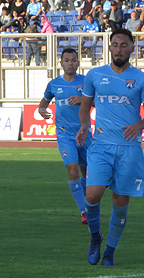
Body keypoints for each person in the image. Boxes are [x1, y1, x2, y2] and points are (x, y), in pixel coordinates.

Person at [76, 28, 144, 267]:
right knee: (92, 195)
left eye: (124, 45)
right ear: (109, 47)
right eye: (115, 44)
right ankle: (95, 238)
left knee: (120, 201)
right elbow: (85, 107)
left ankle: (110, 251)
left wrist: (138, 125)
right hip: (100, 145)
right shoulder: (94, 76)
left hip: (129, 148)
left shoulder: (142, 79)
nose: (119, 49)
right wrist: (83, 126)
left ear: (132, 48)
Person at [38, 49, 92, 225]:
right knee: (73, 171)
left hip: (84, 134)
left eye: (73, 60)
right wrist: (42, 110)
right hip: (64, 135)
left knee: (87, 173)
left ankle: (87, 205)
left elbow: (99, 101)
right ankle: (84, 211)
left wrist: (83, 100)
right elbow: (43, 104)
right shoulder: (54, 84)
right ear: (61, 63)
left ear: (78, 63)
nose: (70, 63)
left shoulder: (86, 82)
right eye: (67, 60)